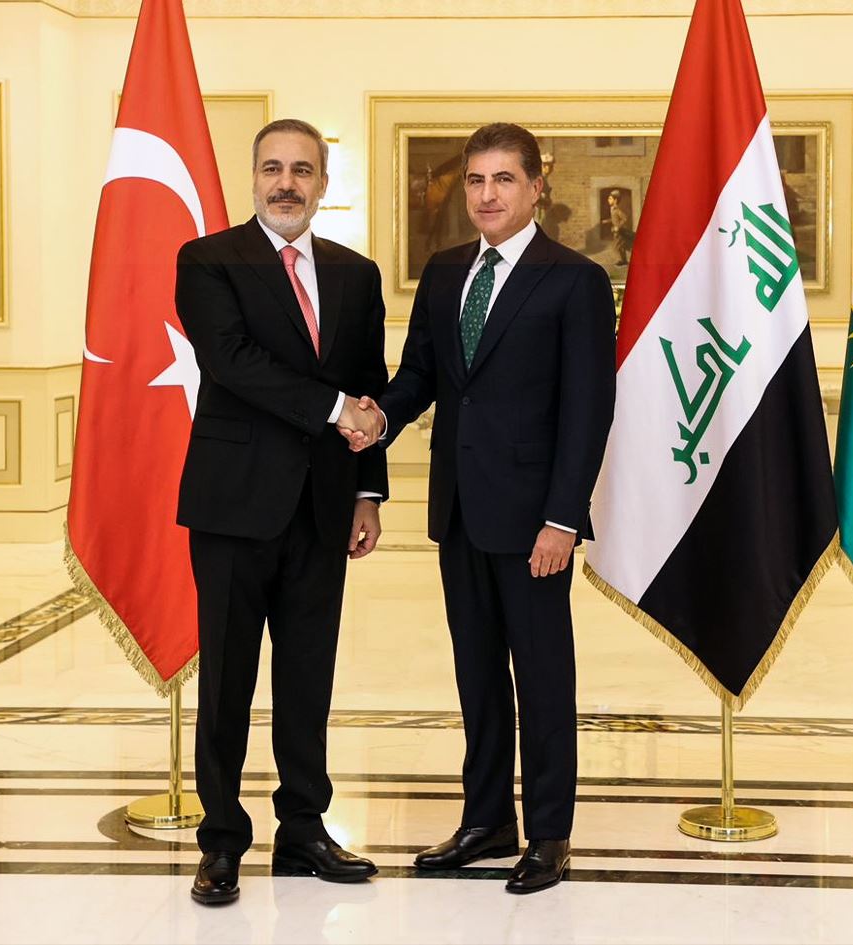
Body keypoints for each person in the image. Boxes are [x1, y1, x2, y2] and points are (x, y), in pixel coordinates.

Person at [345, 122, 616, 894]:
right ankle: (488, 818)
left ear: (537, 187)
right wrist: (376, 416)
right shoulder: (444, 273)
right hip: (460, 511)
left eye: (503, 179)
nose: (487, 194)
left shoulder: (573, 280)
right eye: (475, 180)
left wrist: (562, 518)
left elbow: (588, 409)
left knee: (542, 678)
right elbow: (419, 376)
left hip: (534, 522)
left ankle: (550, 833)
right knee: (478, 674)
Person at [174, 118, 389, 906]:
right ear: (254, 176)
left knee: (307, 678)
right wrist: (335, 409)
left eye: (302, 169)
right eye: (272, 168)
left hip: (323, 507)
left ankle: (303, 827)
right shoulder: (209, 260)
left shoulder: (356, 274)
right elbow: (232, 362)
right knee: (227, 682)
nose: (286, 183)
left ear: (324, 183)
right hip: (233, 506)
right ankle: (222, 840)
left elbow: (369, 382)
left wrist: (367, 490)